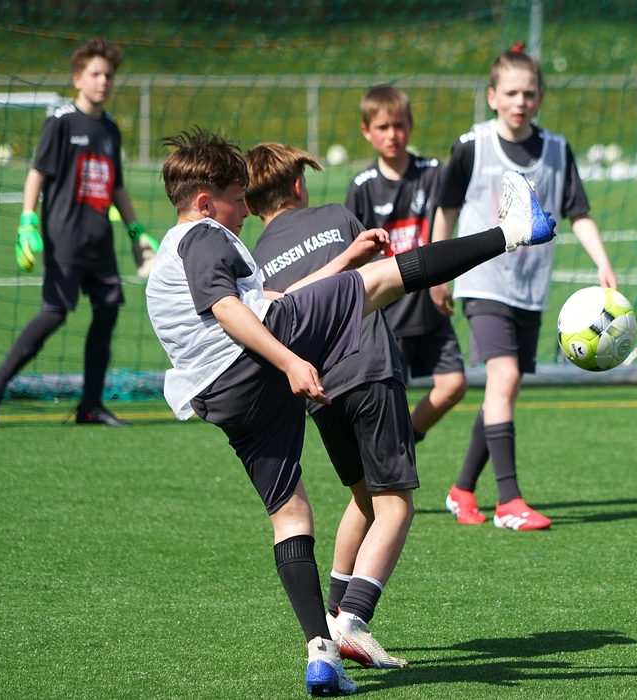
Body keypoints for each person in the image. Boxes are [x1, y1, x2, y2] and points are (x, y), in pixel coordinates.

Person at [145, 127, 555, 696]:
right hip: (258, 356)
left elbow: (277, 300)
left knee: (290, 517)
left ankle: (322, 653)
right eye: (236, 199)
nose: (243, 210)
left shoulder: (169, 259)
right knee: (384, 280)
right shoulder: (205, 235)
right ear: (204, 202)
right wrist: (291, 361)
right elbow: (229, 310)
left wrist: (342, 260)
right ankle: (515, 230)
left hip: (224, 395)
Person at [432, 46, 618, 531]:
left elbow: (579, 213)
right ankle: (509, 502)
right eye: (511, 93)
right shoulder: (472, 146)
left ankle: (461, 489)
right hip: (482, 281)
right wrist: (436, 272)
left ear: (540, 98)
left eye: (529, 93)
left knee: (504, 387)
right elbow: (446, 210)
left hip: (530, 287)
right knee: (506, 377)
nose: (520, 101)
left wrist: (602, 262)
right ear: (492, 97)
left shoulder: (556, 149)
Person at [247, 141, 414, 671]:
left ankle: (334, 611)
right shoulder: (339, 217)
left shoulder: (254, 263)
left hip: (318, 389)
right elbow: (379, 281)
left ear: (249, 205)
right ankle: (354, 620)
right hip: (371, 368)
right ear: (299, 184)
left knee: (364, 498)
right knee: (395, 504)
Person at [0, 38, 158, 427]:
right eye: (96, 74)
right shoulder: (60, 122)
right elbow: (36, 174)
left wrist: (136, 231)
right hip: (65, 238)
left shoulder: (110, 128)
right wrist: (27, 222)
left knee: (107, 312)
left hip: (100, 240)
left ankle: (91, 404)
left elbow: (117, 186)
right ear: (78, 78)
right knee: (55, 313)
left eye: (109, 75)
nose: (103, 81)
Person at [346, 86, 466, 445]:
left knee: (454, 385)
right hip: (388, 313)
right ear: (367, 131)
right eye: (382, 127)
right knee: (390, 401)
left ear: (410, 127)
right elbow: (353, 250)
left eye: (399, 125)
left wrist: (441, 277)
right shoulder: (362, 186)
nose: (392, 135)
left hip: (429, 307)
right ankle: (391, 453)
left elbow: (450, 214)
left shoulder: (433, 172)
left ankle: (407, 439)